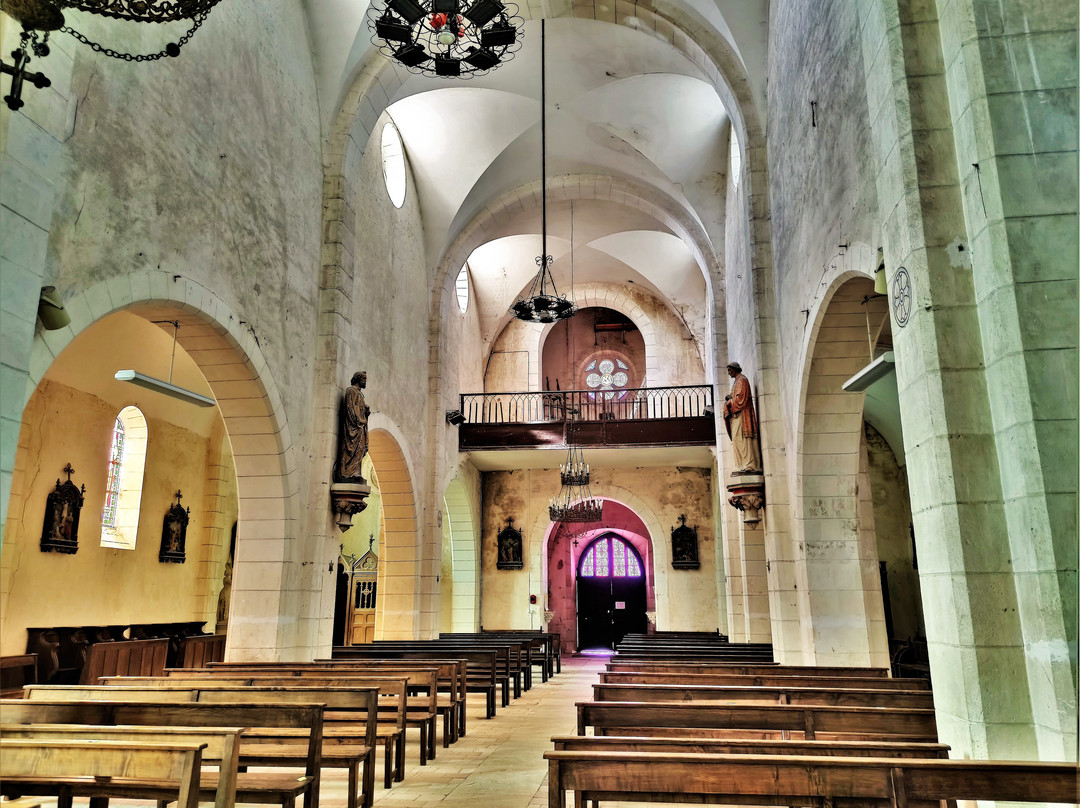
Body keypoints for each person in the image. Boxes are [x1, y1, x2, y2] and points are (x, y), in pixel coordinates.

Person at [723, 362, 762, 473]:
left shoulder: (742, 380)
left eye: (730, 370)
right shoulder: (736, 382)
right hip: (736, 415)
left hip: (743, 414)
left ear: (735, 370)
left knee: (744, 438)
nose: (728, 373)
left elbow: (741, 399)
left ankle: (750, 465)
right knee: (736, 438)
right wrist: (729, 398)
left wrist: (730, 402)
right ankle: (740, 465)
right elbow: (735, 396)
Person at [336, 371, 370, 482]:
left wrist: (366, 412)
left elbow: (360, 410)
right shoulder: (351, 391)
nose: (365, 381)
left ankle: (356, 471)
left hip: (361, 427)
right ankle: (348, 472)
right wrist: (359, 420)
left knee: (360, 449)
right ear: (358, 379)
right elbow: (350, 409)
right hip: (354, 427)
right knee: (353, 448)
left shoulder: (360, 394)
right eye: (364, 379)